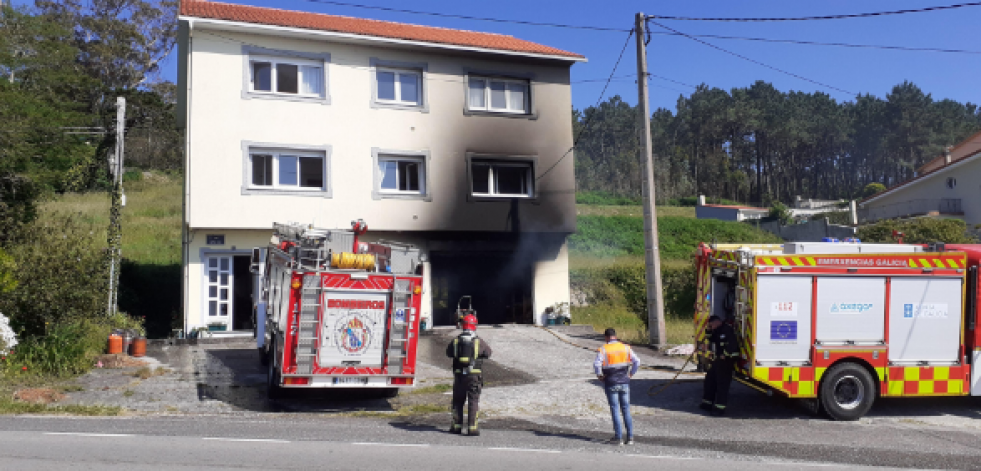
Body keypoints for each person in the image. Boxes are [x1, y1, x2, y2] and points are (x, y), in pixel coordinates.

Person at [446, 314, 492, 436]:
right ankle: (472, 428)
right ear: (474, 326)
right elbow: (488, 353)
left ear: (463, 325)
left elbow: (448, 353)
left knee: (457, 401)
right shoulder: (478, 341)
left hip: (459, 376)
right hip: (474, 376)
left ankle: (456, 427)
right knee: (473, 401)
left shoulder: (456, 340)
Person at [593, 328, 640, 445]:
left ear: (606, 337)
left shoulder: (603, 349)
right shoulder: (625, 347)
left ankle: (618, 438)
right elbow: (637, 361)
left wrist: (599, 375)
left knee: (615, 409)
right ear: (615, 336)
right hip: (624, 382)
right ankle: (630, 437)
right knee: (626, 409)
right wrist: (631, 374)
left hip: (611, 382)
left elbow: (596, 364)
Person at [700, 315, 739, 416]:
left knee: (722, 385)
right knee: (709, 380)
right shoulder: (718, 330)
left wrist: (724, 355)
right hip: (718, 361)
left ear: (717, 322)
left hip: (726, 362)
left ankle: (720, 408)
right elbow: (712, 339)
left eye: (712, 325)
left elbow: (733, 347)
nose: (712, 327)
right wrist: (708, 331)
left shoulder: (727, 330)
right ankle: (707, 403)